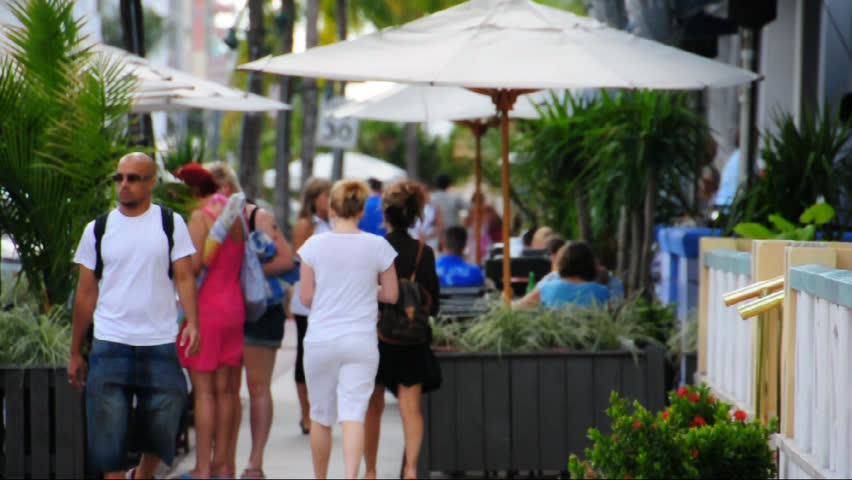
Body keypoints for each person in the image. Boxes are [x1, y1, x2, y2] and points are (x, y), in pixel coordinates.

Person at [68, 152, 200, 480]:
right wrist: (75, 351)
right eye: (119, 178)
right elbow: (86, 293)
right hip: (111, 341)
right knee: (107, 430)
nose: (124, 185)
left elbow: (184, 277)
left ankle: (142, 475)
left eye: (133, 178)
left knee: (170, 410)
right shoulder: (98, 229)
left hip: (158, 340)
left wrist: (193, 323)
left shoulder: (170, 223)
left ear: (151, 182)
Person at [298, 180, 399, 479]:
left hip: (321, 340)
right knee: (354, 414)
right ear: (360, 210)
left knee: (320, 416)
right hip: (361, 341)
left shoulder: (313, 246)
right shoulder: (378, 245)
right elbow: (391, 295)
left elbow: (305, 297)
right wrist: (369, 289)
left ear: (331, 209)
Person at [207, 162, 294, 480]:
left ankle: (254, 463)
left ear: (227, 189)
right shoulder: (204, 221)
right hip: (225, 310)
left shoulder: (256, 216)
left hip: (260, 310)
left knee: (257, 387)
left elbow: (287, 259)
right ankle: (223, 461)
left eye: (213, 190)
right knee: (225, 388)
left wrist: (245, 273)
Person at [365, 181, 442, 480]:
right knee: (411, 409)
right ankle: (410, 470)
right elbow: (433, 305)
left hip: (377, 339)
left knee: (373, 407)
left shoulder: (374, 248)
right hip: (412, 339)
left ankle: (370, 471)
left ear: (385, 213)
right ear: (414, 215)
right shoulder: (425, 252)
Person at [175, 163, 246, 480]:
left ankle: (203, 467)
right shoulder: (235, 219)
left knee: (204, 392)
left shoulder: (200, 216)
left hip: (206, 311)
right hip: (233, 308)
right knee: (228, 391)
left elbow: (191, 266)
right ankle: (225, 464)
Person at [290, 177, 333, 435]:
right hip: (309, 297)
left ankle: (320, 409)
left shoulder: (333, 223)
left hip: (329, 298)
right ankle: (306, 413)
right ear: (314, 198)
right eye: (325, 196)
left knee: (325, 356)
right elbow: (300, 257)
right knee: (304, 356)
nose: (329, 200)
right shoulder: (306, 224)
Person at [514, 242, 610, 309]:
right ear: (590, 265)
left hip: (554, 338)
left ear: (562, 263)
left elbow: (515, 308)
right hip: (591, 338)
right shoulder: (602, 292)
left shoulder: (546, 288)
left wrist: (506, 298)